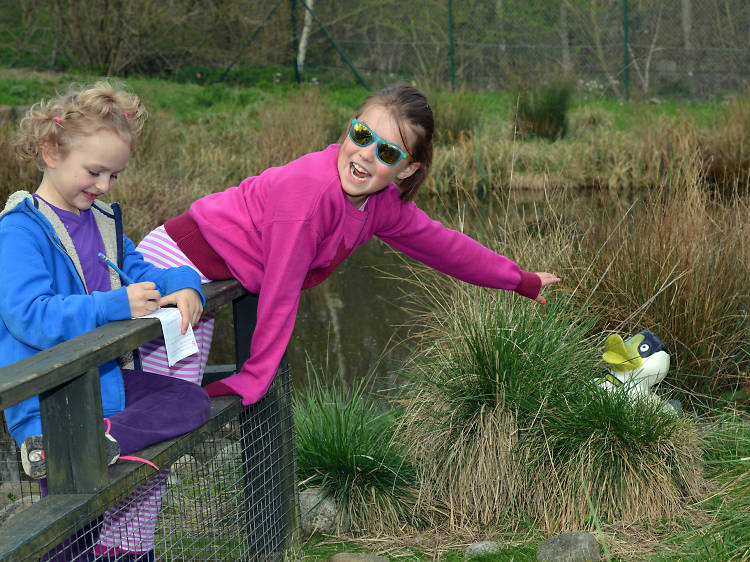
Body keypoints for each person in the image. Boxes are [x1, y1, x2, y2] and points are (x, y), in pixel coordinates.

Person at [137, 83, 561, 405]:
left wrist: (519, 280)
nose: (364, 155)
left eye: (387, 153)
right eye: (361, 135)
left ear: (406, 170)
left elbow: (444, 246)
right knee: (162, 409)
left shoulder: (381, 204)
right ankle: (102, 514)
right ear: (349, 129)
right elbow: (282, 287)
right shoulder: (311, 193)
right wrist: (255, 377)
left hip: (207, 279)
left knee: (171, 409)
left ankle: (124, 520)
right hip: (173, 263)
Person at [0, 81, 211, 561]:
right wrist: (114, 304)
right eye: (95, 172)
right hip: (50, 405)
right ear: (51, 152)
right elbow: (29, 315)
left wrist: (186, 285)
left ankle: (104, 441)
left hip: (105, 391)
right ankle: (76, 449)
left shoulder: (101, 220)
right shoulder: (19, 230)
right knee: (71, 527)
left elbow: (146, 272)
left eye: (114, 176)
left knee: (190, 400)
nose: (104, 186)